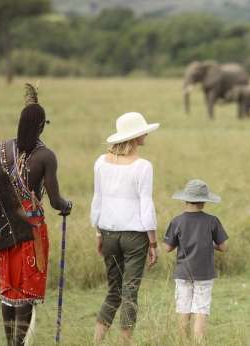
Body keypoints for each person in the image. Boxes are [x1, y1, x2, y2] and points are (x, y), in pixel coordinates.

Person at [0, 84, 72, 346]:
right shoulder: (46, 156)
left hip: (5, 230)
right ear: (41, 127)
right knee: (27, 291)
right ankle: (18, 344)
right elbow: (56, 200)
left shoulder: (1, 150)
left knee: (9, 289)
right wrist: (67, 205)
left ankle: (10, 343)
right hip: (32, 232)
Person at [91, 112, 160, 344]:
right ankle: (124, 342)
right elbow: (146, 205)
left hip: (108, 233)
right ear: (135, 136)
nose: (146, 134)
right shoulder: (143, 166)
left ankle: (97, 341)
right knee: (130, 292)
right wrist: (153, 241)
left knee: (113, 291)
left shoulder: (101, 162)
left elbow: (97, 199)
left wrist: (98, 232)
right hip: (135, 236)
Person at [163, 179, 229, 342]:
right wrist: (210, 244)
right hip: (204, 273)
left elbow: (167, 248)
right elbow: (224, 246)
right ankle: (199, 342)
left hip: (183, 272)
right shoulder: (212, 221)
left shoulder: (177, 221)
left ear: (185, 199)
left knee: (183, 307)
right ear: (204, 202)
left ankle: (183, 341)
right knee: (201, 309)